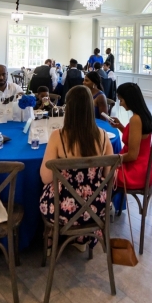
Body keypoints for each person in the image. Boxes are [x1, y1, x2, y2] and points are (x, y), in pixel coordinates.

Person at [39, 85, 115, 249]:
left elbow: (45, 177)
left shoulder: (58, 136)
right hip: (96, 208)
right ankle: (83, 238)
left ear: (69, 108)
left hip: (64, 209)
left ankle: (52, 239)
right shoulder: (103, 136)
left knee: (46, 190)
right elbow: (109, 177)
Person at [108, 82, 152, 190]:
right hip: (146, 167)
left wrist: (112, 160)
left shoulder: (135, 119)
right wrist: (120, 126)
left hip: (136, 172)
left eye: (121, 100)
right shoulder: (144, 114)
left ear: (130, 99)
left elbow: (132, 155)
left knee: (100, 173)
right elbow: (137, 138)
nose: (120, 104)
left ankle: (106, 204)